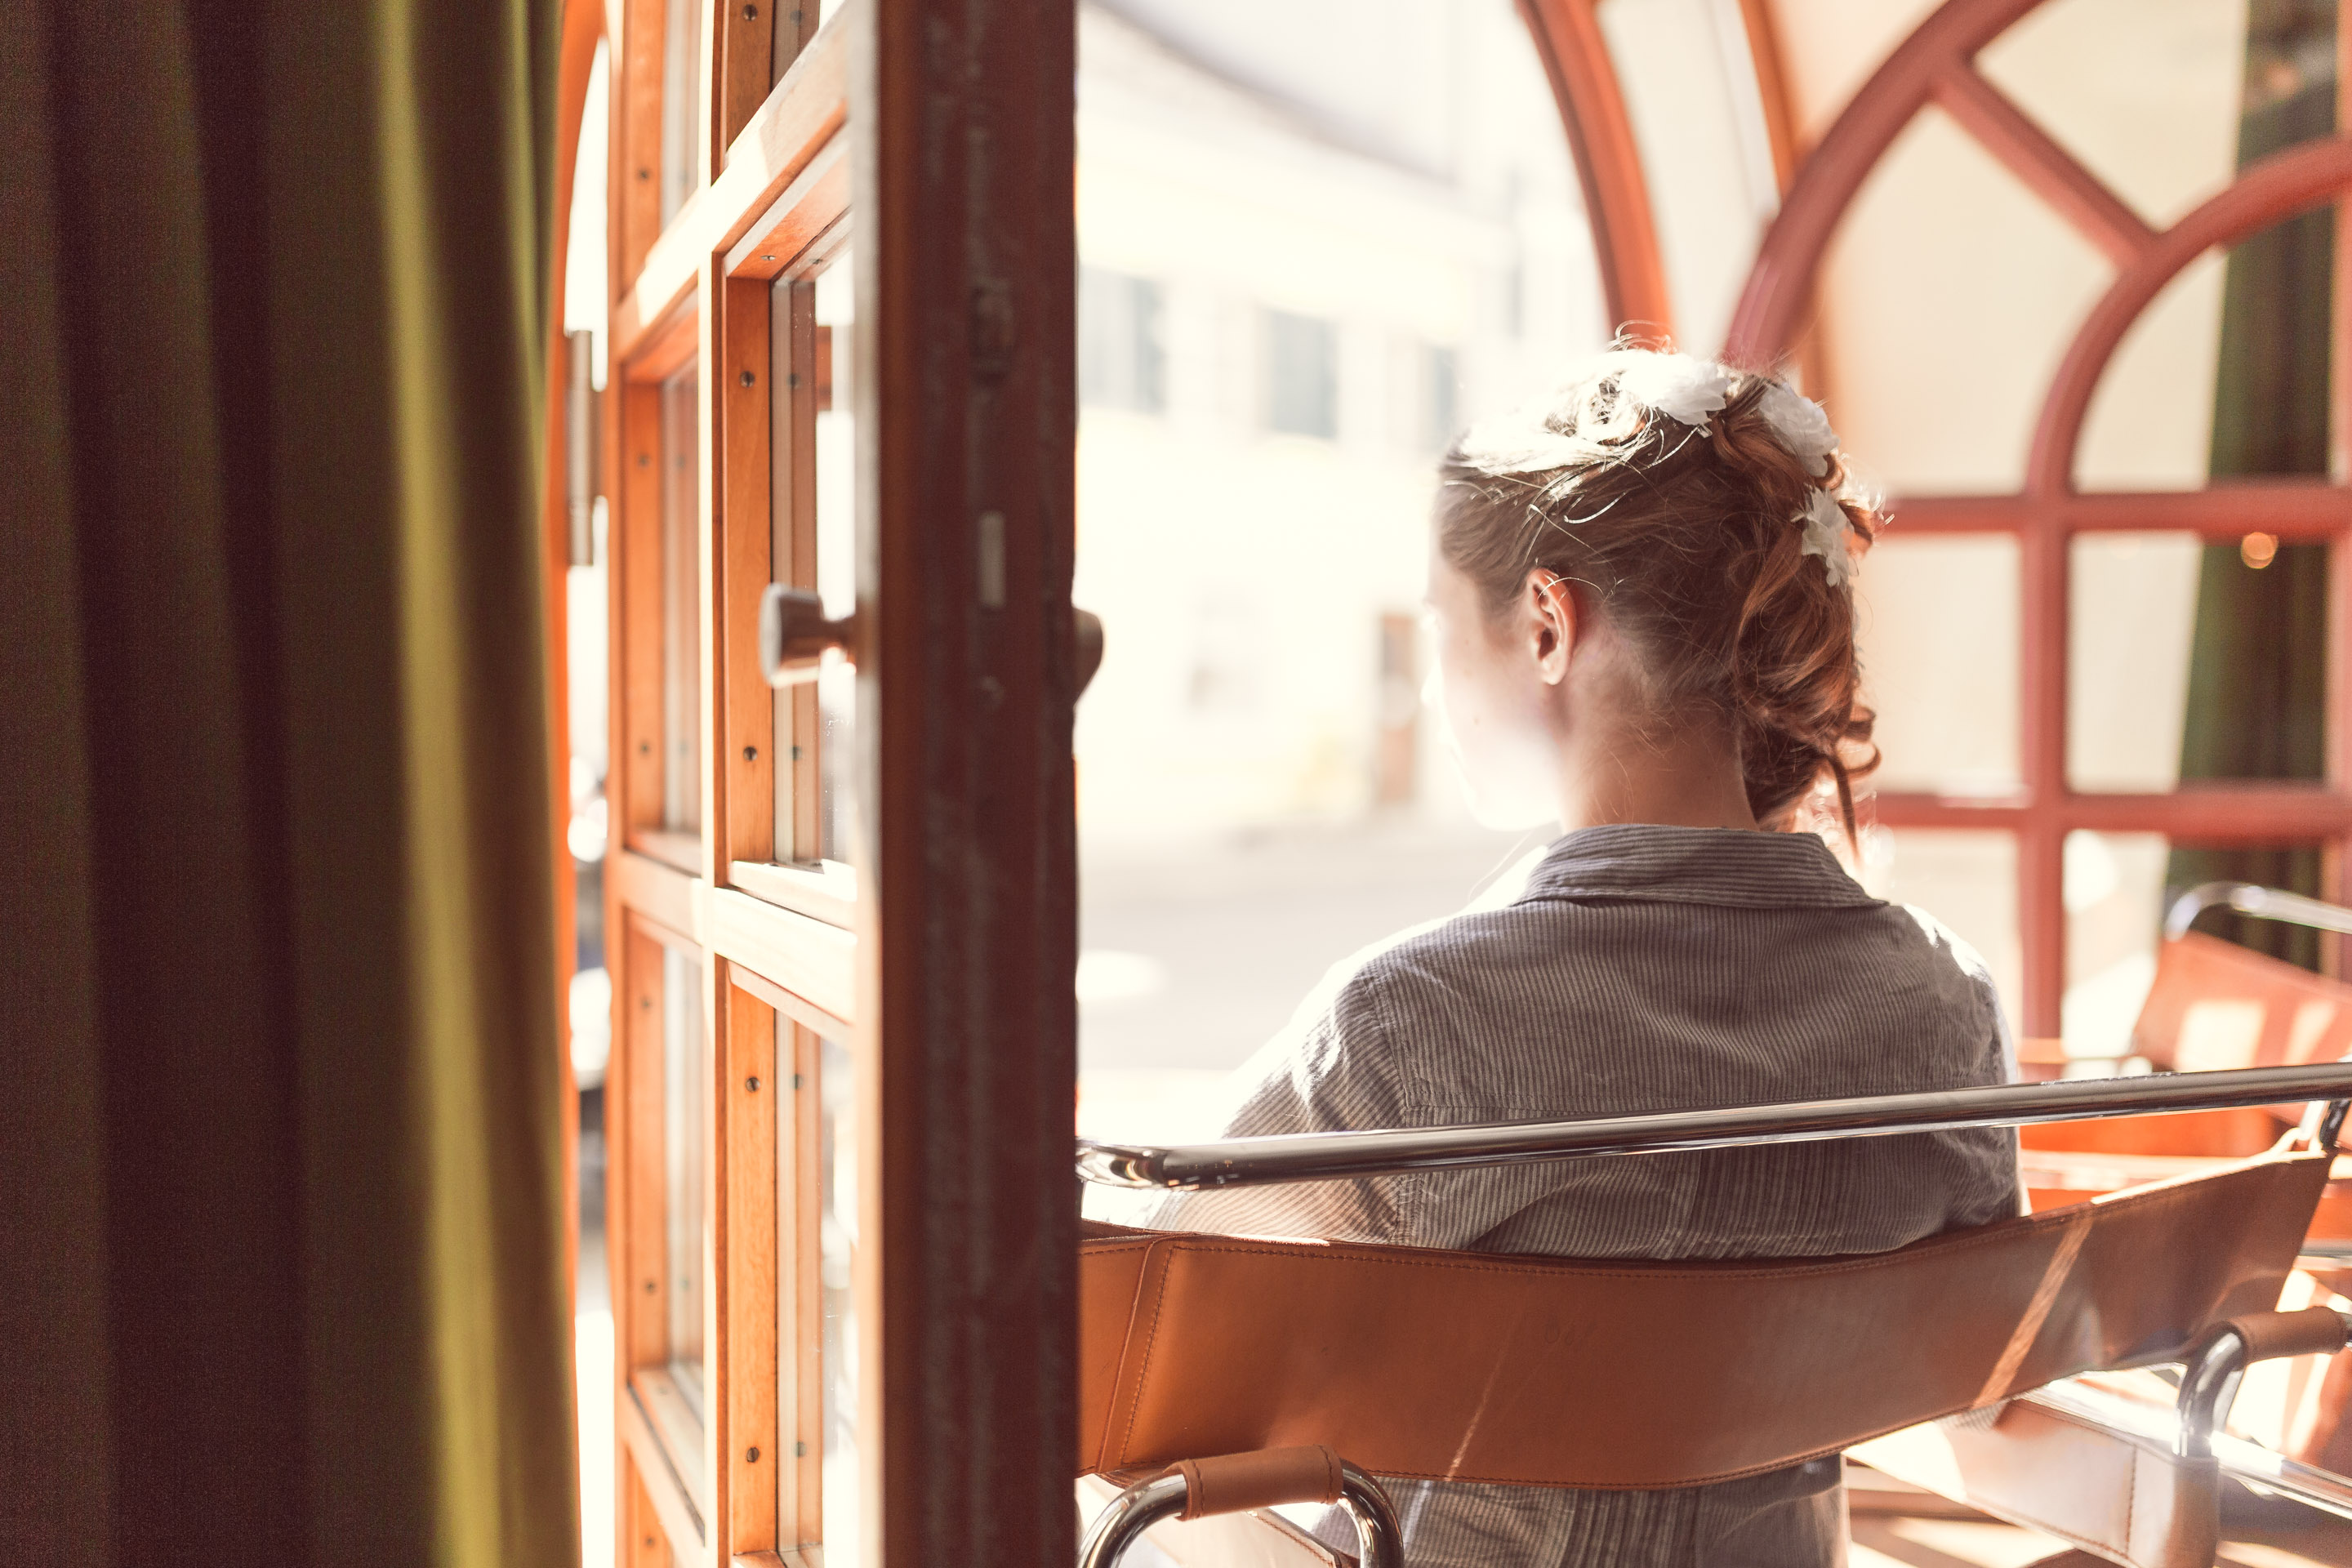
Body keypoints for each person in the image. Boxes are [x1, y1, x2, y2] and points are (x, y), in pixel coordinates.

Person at [1138, 346, 2023, 1567]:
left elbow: (1153, 1336)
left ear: (1549, 624)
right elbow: (1977, 1377)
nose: (1430, 688)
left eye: (1439, 629)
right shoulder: (1938, 1004)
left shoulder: (1415, 1022)